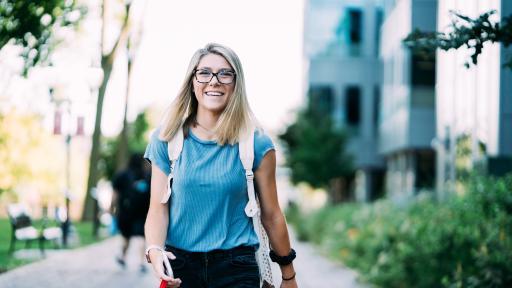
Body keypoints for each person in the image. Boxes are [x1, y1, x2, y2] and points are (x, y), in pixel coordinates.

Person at [144, 43, 298, 288]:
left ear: (236, 84)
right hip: (180, 268)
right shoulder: (167, 139)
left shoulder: (256, 143)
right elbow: (157, 209)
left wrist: (288, 276)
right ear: (192, 81)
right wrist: (153, 249)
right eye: (204, 73)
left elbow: (272, 215)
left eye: (225, 73)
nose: (214, 81)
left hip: (236, 268)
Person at [111, 153, 151, 272]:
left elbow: (115, 194)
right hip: (143, 211)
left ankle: (123, 256)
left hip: (126, 211)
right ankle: (141, 262)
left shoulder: (122, 174)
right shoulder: (147, 175)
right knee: (142, 237)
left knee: (125, 236)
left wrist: (112, 208)